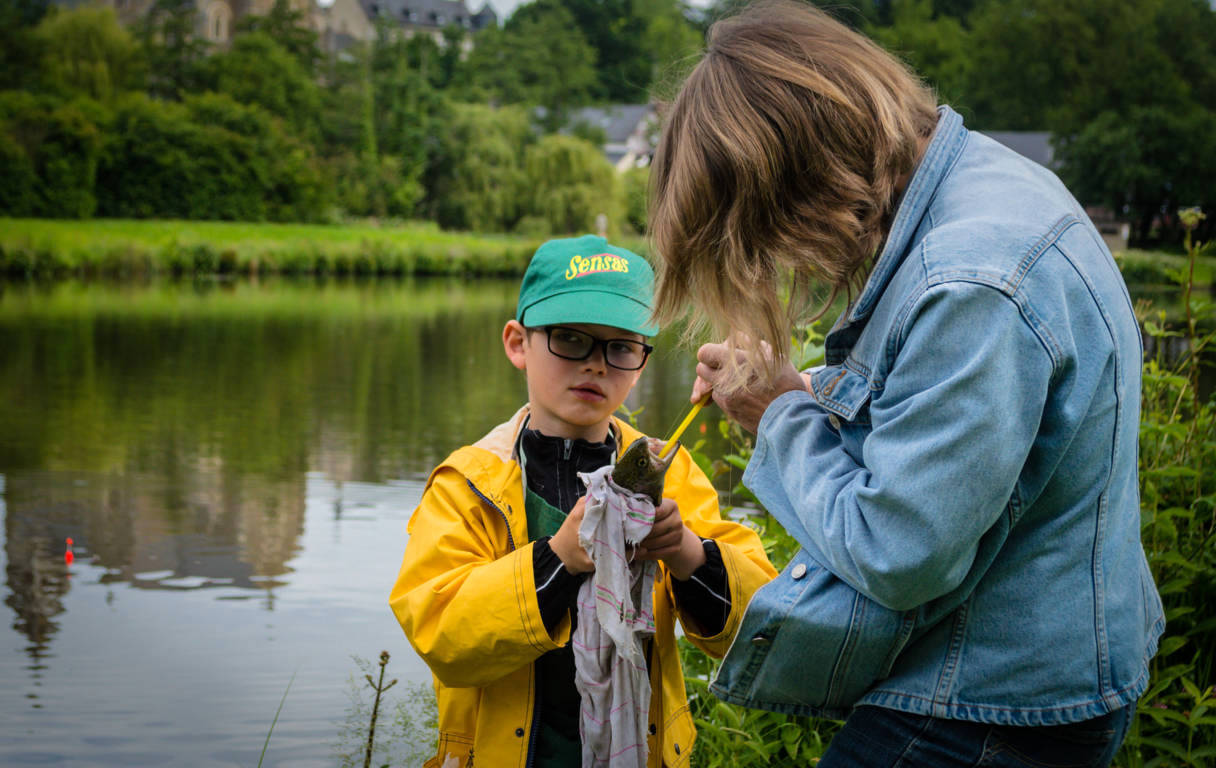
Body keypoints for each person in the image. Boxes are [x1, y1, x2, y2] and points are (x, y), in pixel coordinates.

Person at [645, 2, 1165, 767]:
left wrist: (782, 414)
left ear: (800, 179)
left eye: (762, 234)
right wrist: (807, 388)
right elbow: (932, 408)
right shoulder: (983, 184)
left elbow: (898, 553)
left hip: (990, 705)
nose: (788, 267)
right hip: (1018, 680)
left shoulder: (971, 282)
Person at [389, 234, 777, 768]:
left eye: (620, 346)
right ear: (518, 343)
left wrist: (687, 551)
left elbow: (761, 626)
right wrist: (562, 557)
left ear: (640, 363)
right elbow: (440, 633)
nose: (596, 364)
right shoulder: (468, 483)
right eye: (570, 338)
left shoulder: (667, 471)